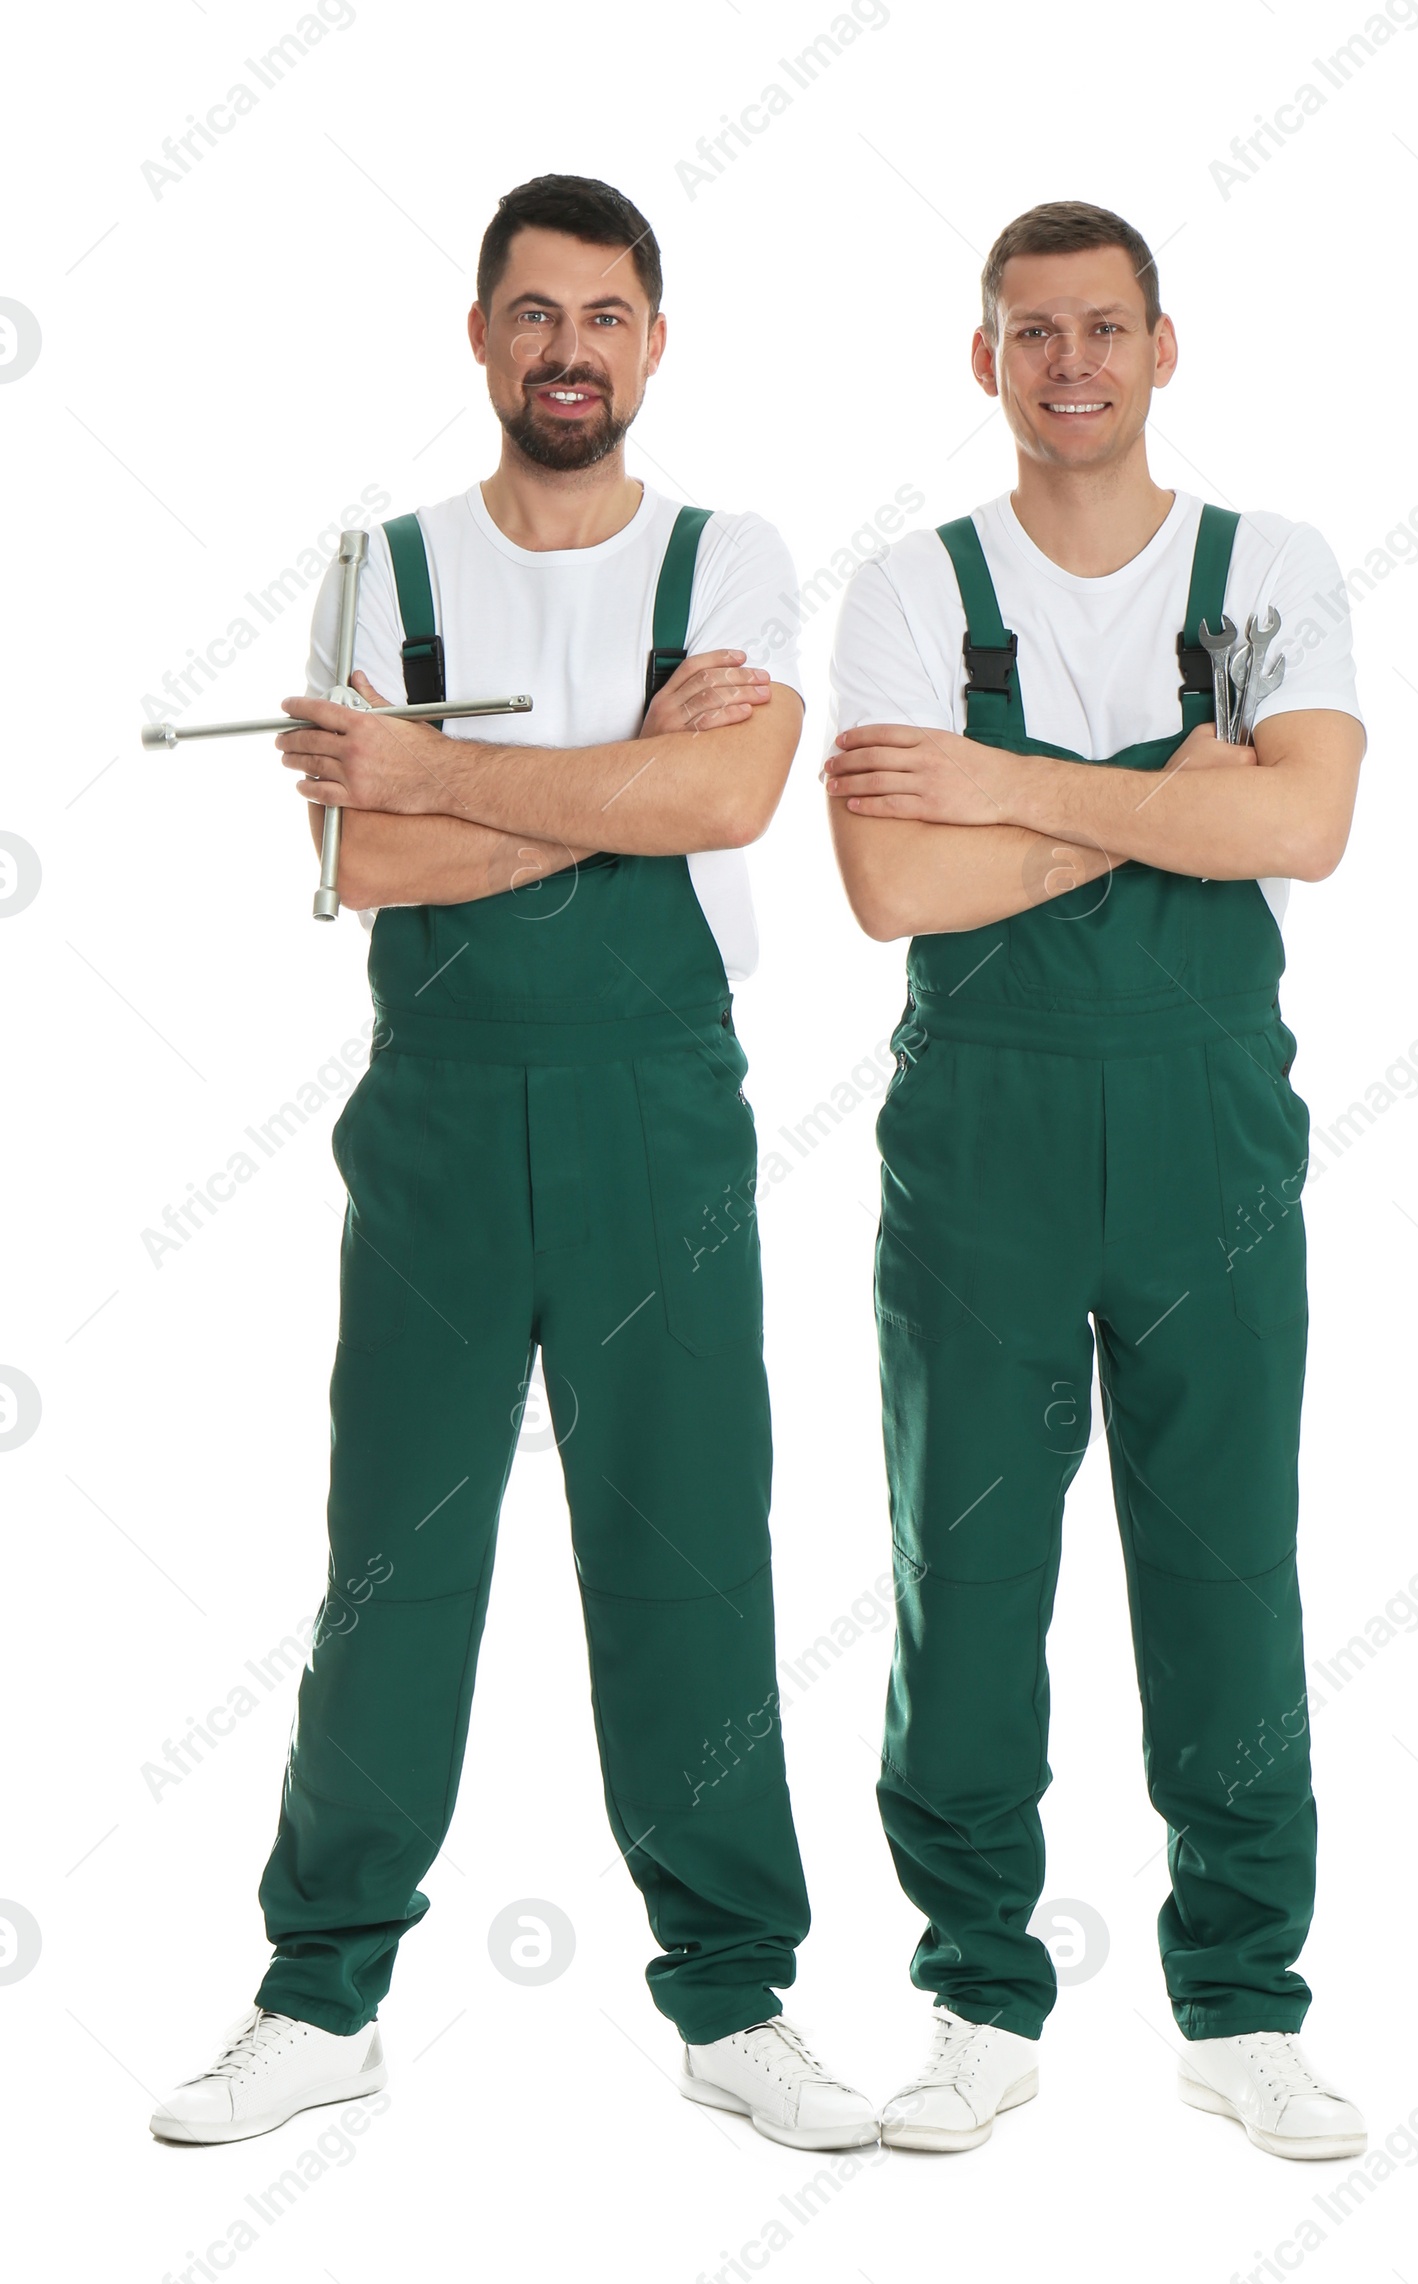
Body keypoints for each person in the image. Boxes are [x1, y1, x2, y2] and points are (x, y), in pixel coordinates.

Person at [150, 172, 874, 2154]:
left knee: (688, 1549)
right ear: (481, 337)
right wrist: (605, 778)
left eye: (606, 313)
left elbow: (723, 788)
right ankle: (322, 1993)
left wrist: (449, 768)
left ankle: (734, 1999)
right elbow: (362, 863)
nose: (570, 347)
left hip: (660, 1109)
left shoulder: (730, 553)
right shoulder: (384, 569)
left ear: (654, 340)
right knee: (395, 1559)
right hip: (442, 1118)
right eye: (534, 312)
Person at [824, 199, 1369, 2160]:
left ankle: (1240, 2003)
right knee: (959, 1574)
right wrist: (1167, 809)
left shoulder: (1269, 566)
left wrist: (1015, 787)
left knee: (1222, 1565)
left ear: (1160, 348)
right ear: (984, 360)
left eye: (1104, 328)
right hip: (979, 1142)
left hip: (1210, 1135)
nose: (1070, 361)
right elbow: (893, 883)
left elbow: (1300, 820)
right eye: (1030, 330)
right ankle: (975, 1990)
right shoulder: (908, 589)